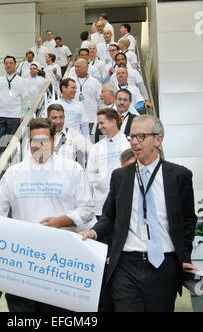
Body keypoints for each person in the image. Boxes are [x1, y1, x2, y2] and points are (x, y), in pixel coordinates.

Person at [0, 118, 95, 312]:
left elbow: (87, 208)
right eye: (34, 140)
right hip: (21, 265)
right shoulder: (14, 173)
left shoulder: (72, 170)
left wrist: (63, 221)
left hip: (60, 265)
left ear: (53, 141)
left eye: (44, 140)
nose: (39, 145)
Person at [81, 114, 198, 312]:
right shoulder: (120, 177)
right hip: (126, 263)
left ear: (158, 140)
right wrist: (93, 233)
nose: (134, 142)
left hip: (164, 264)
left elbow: (188, 220)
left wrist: (184, 256)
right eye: (131, 137)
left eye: (141, 137)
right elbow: (110, 216)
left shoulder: (179, 176)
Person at [86, 108, 130, 219]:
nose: (99, 127)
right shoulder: (96, 148)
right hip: (101, 206)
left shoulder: (128, 143)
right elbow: (89, 178)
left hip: (125, 204)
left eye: (102, 123)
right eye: (98, 124)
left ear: (114, 122)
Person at [0, 56, 30, 168]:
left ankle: (12, 167)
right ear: (4, 65)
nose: (8, 65)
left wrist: (23, 115)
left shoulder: (22, 81)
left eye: (11, 63)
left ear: (14, 64)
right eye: (6, 63)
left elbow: (25, 99)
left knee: (12, 143)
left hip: (15, 116)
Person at [47, 103, 93, 168]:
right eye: (54, 118)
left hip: (68, 175)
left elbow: (93, 151)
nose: (58, 121)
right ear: (48, 118)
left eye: (61, 117)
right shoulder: (42, 135)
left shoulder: (72, 133)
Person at [69, 59, 102, 131]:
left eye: (78, 67)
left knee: (90, 140)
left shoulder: (95, 82)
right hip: (74, 119)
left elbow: (100, 100)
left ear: (86, 68)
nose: (76, 69)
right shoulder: (71, 81)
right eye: (75, 67)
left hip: (90, 118)